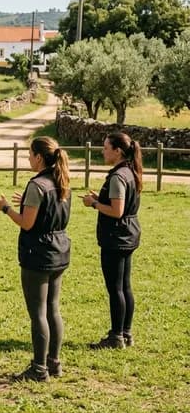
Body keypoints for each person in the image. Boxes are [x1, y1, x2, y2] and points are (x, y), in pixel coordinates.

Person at [0, 136, 71, 382]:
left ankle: (38, 368)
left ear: (38, 157)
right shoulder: (61, 181)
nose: (27, 158)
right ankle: (54, 363)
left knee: (38, 313)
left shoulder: (37, 185)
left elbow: (27, 223)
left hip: (38, 254)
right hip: (59, 250)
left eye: (29, 154)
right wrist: (25, 204)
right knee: (53, 309)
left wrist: (6, 209)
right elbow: (49, 211)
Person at [82, 131, 142, 350]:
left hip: (116, 237)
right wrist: (101, 199)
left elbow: (117, 211)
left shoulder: (118, 176)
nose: (102, 150)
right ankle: (126, 333)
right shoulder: (131, 172)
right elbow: (123, 205)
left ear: (118, 151)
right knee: (125, 287)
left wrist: (94, 204)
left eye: (106, 147)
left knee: (115, 288)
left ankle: (116, 336)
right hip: (128, 234)